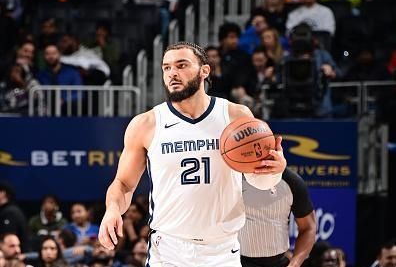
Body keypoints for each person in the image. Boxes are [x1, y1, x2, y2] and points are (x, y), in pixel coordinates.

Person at [98, 41, 287, 267]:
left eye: (181, 65)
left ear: (204, 71)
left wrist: (274, 171)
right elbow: (123, 184)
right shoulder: (146, 124)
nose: (172, 73)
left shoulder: (235, 115)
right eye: (166, 68)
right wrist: (112, 210)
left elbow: (261, 181)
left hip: (222, 249)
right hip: (168, 250)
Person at [239, 168, 316, 267]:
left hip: (278, 262)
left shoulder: (291, 181)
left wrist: (294, 264)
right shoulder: (234, 178)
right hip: (237, 260)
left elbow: (308, 228)